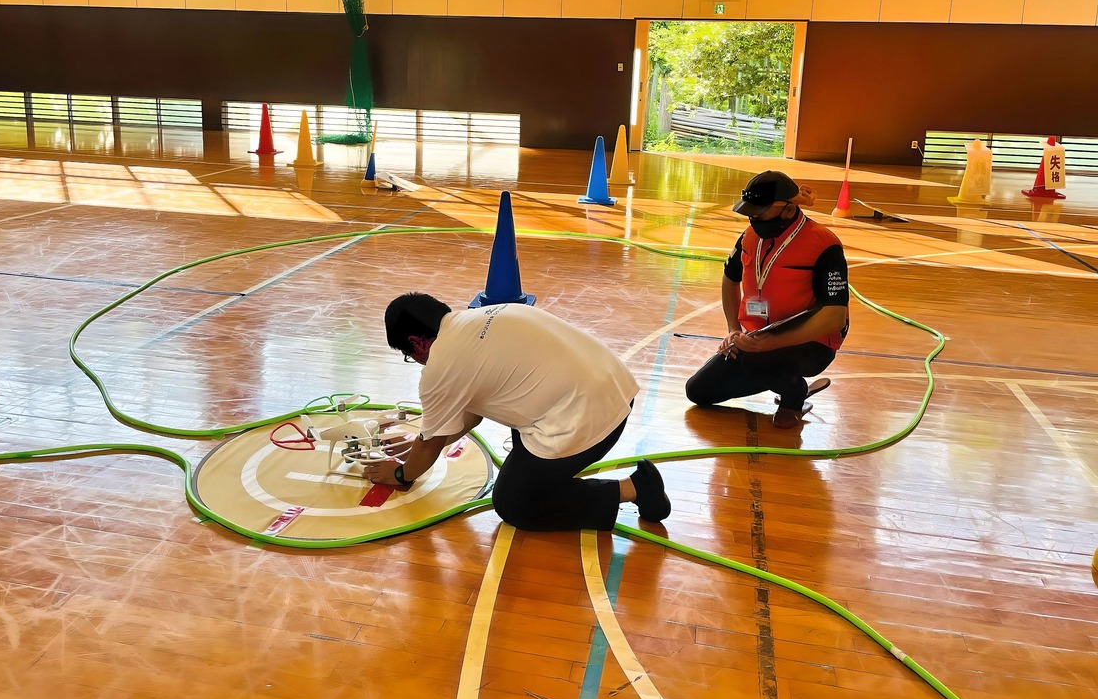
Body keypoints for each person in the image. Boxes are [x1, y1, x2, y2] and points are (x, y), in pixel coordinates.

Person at [363, 293, 671, 530]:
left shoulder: (442, 365)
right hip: (615, 393)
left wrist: (402, 473)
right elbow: (466, 415)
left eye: (409, 356)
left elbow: (430, 445)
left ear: (417, 343)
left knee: (515, 504)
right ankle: (547, 471)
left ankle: (635, 488)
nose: (415, 362)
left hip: (589, 421)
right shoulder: (485, 316)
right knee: (519, 418)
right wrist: (426, 441)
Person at [685, 170, 849, 429]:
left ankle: (794, 393)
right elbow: (730, 279)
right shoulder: (749, 237)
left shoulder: (824, 244)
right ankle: (771, 372)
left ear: (787, 210)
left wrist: (770, 343)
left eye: (759, 213)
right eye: (750, 213)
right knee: (698, 391)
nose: (753, 219)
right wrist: (733, 329)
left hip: (811, 341)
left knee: (754, 360)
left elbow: (834, 317)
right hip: (759, 338)